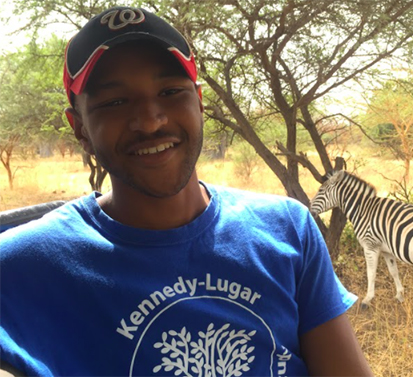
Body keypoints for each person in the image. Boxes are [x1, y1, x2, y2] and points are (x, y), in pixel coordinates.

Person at [0, 6, 373, 377]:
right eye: (115, 102)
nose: (149, 120)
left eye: (170, 91)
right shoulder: (28, 263)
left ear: (199, 101)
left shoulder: (288, 228)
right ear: (79, 127)